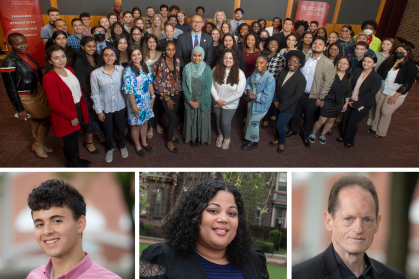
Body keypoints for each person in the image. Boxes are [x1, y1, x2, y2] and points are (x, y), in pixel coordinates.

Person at [140, 180, 268, 279]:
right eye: (213, 211)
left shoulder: (255, 260)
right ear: (194, 215)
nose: (224, 219)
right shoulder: (161, 257)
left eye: (232, 213)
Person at [293, 175, 406, 279]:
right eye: (348, 219)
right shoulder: (299, 276)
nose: (358, 229)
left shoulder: (395, 277)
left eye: (367, 220)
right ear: (328, 221)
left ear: (377, 223)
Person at [27, 179, 121, 278]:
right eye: (40, 224)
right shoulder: (33, 276)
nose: (46, 231)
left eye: (57, 221)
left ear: (80, 224)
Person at [1, 33, 52, 159]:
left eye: (24, 42)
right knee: (47, 119)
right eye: (18, 44)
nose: (23, 46)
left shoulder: (26, 55)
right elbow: (10, 89)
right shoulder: (9, 62)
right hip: (27, 96)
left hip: (37, 92)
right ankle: (38, 145)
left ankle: (38, 144)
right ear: (11, 45)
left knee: (37, 118)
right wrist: (19, 109)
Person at [43, 45, 90, 167]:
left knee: (75, 138)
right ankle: (71, 163)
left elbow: (77, 91)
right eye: (56, 58)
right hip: (65, 114)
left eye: (62, 56)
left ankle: (77, 159)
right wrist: (72, 116)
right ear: (49, 61)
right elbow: (55, 104)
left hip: (77, 108)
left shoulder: (69, 69)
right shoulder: (49, 77)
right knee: (69, 141)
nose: (61, 60)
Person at [287, 37, 335, 148]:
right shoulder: (304, 57)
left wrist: (321, 97)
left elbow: (327, 83)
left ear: (325, 47)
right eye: (315, 43)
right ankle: (293, 130)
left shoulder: (328, 63)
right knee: (296, 114)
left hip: (313, 96)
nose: (317, 45)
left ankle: (305, 135)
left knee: (308, 117)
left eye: (320, 44)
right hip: (298, 93)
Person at [370, 45, 417, 138]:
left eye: (401, 50)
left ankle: (381, 132)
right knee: (378, 108)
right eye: (397, 50)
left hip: (395, 93)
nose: (398, 52)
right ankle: (374, 127)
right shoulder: (389, 61)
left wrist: (396, 96)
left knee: (385, 112)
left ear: (407, 53)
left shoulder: (411, 67)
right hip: (382, 89)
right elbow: (379, 73)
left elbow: (408, 83)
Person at [90, 46, 128, 162]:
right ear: (102, 57)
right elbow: (95, 94)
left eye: (112, 55)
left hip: (120, 105)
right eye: (106, 55)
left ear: (116, 57)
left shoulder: (121, 70)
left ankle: (122, 146)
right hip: (105, 107)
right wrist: (99, 110)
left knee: (121, 128)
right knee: (107, 129)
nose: (109, 57)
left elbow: (126, 88)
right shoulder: (95, 73)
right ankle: (110, 148)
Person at [337, 54, 381, 147]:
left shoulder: (376, 78)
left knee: (352, 122)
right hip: (350, 100)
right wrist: (347, 100)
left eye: (369, 62)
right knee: (345, 120)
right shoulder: (357, 71)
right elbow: (350, 86)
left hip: (363, 104)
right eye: (365, 61)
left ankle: (349, 140)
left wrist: (356, 104)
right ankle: (343, 136)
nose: (366, 63)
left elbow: (371, 94)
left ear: (374, 64)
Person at [309, 55, 352, 145]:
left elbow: (348, 92)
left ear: (348, 66)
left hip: (339, 102)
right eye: (340, 62)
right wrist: (321, 99)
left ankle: (322, 134)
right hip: (327, 100)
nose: (342, 65)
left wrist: (346, 103)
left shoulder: (349, 77)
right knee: (322, 120)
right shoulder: (331, 73)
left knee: (331, 121)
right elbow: (323, 87)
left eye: (345, 63)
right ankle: (313, 133)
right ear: (336, 63)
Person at [269, 50, 306, 153]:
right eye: (290, 61)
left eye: (295, 62)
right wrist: (275, 100)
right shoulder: (284, 70)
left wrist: (281, 106)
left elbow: (296, 97)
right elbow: (277, 86)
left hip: (288, 107)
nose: (292, 64)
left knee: (280, 125)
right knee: (277, 123)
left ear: (300, 64)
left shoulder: (301, 79)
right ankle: (277, 139)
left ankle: (282, 142)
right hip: (277, 103)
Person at [74, 36, 106, 154]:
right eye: (89, 46)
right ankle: (89, 142)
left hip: (100, 93)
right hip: (88, 95)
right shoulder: (79, 62)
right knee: (91, 118)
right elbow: (81, 83)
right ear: (82, 47)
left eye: (93, 46)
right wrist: (94, 96)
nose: (92, 48)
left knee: (101, 116)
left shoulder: (98, 58)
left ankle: (99, 134)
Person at [123, 44, 155, 157]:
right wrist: (134, 107)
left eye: (138, 54)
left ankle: (144, 142)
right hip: (135, 102)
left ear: (141, 54)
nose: (136, 57)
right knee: (136, 125)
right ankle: (137, 145)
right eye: (133, 55)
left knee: (145, 122)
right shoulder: (128, 70)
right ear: (130, 57)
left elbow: (150, 81)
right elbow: (129, 91)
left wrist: (153, 97)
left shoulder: (146, 65)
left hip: (146, 100)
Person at [212, 50, 246, 149]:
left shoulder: (240, 74)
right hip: (216, 101)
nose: (228, 60)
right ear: (222, 59)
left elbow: (239, 92)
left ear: (234, 60)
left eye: (230, 58)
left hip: (230, 104)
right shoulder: (215, 69)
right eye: (225, 57)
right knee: (218, 119)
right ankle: (220, 135)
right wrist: (218, 100)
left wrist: (223, 102)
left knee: (225, 122)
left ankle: (227, 138)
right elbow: (211, 85)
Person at [242, 53, 275, 151]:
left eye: (261, 63)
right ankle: (248, 138)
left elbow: (266, 97)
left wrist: (254, 96)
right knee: (249, 120)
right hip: (251, 102)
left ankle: (254, 142)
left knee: (253, 123)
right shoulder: (256, 72)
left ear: (267, 64)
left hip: (260, 105)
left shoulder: (270, 79)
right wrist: (248, 90)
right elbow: (248, 81)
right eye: (257, 63)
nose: (258, 65)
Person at [153, 42, 182, 153]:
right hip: (165, 95)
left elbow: (177, 76)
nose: (171, 52)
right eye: (168, 49)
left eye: (173, 49)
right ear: (165, 50)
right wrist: (166, 98)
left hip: (176, 93)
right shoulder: (159, 63)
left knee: (173, 117)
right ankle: (169, 141)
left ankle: (171, 135)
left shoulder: (177, 61)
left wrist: (180, 87)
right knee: (173, 118)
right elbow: (156, 83)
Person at [182, 46, 212, 147]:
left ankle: (201, 139)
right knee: (191, 119)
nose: (197, 58)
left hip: (202, 99)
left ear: (202, 56)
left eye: (199, 55)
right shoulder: (187, 67)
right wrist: (190, 101)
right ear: (192, 56)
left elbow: (208, 88)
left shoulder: (207, 68)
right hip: (190, 98)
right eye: (194, 55)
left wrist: (198, 101)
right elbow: (184, 85)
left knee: (202, 119)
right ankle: (192, 138)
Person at [260, 38, 285, 129]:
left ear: (278, 47)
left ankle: (266, 120)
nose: (273, 46)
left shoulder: (280, 58)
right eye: (271, 44)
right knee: (261, 100)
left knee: (269, 102)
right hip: (261, 81)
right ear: (267, 45)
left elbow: (281, 74)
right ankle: (260, 116)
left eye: (275, 45)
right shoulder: (263, 54)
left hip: (272, 83)